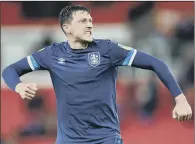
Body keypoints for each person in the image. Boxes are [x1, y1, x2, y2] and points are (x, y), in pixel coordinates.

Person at [2, 5, 192, 144]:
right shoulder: (52, 54)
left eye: (90, 20)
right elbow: (9, 71)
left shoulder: (107, 50)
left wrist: (180, 98)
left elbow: (155, 63)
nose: (89, 25)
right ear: (67, 28)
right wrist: (18, 85)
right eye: (82, 21)